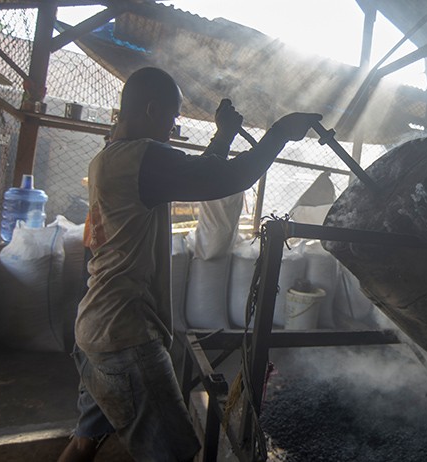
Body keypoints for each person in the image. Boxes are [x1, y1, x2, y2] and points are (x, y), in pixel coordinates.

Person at [58, 67, 321, 462]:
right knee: (175, 455)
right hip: (126, 337)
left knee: (85, 441)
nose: (174, 125)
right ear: (151, 109)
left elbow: (199, 175)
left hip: (95, 328)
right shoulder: (141, 158)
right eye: (172, 116)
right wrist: (281, 131)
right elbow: (232, 176)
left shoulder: (110, 159)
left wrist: (225, 135)